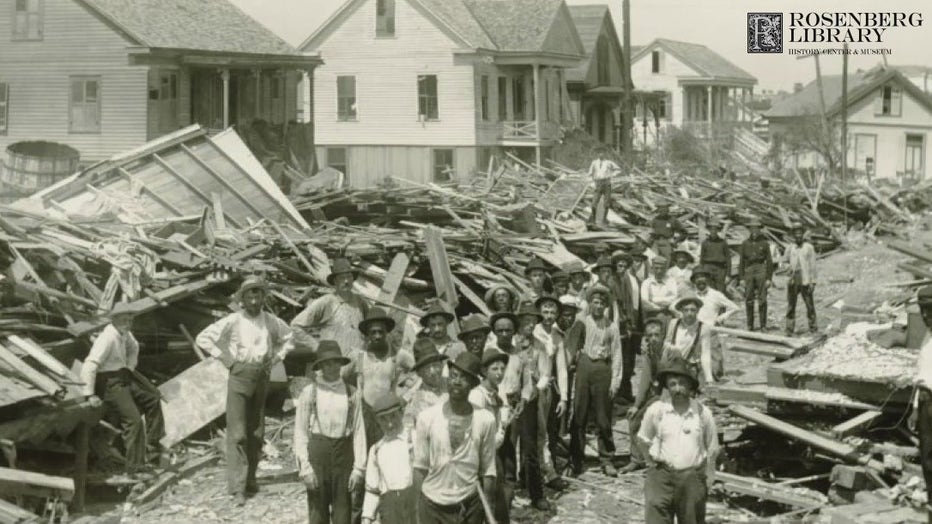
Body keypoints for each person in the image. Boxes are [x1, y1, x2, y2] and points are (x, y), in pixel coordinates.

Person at [196, 276, 294, 505]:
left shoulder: (270, 321)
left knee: (256, 432)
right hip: (239, 375)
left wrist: (277, 357)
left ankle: (250, 480)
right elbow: (204, 338)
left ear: (262, 297)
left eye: (257, 294)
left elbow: (289, 339)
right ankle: (237, 488)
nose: (253, 299)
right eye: (249, 294)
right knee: (238, 433)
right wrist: (227, 359)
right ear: (243, 298)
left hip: (262, 375)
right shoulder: (233, 320)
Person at [414, 352, 498, 524]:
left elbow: (488, 470)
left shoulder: (485, 419)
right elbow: (420, 467)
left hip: (469, 503)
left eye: (464, 378)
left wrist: (487, 510)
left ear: (474, 384)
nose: (457, 381)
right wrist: (416, 509)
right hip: (432, 503)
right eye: (453, 375)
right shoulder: (427, 417)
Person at [81, 302, 162, 471]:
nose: (128, 323)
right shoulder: (107, 338)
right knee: (134, 421)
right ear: (115, 319)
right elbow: (90, 364)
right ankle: (135, 468)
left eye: (130, 320)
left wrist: (130, 367)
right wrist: (89, 394)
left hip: (123, 375)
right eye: (124, 320)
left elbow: (135, 347)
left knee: (153, 398)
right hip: (109, 382)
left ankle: (153, 448)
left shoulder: (125, 333)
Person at [637, 358, 719, 524]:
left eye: (682, 383)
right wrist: (650, 463)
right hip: (661, 477)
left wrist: (708, 476)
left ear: (690, 386)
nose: (677, 389)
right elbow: (642, 439)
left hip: (691, 478)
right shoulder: (657, 410)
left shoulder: (702, 413)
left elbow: (713, 448)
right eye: (673, 384)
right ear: (667, 386)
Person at [294, 341, 366, 524]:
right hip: (318, 456)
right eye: (327, 363)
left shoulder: (352, 393)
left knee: (343, 513)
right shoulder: (310, 392)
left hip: (344, 456)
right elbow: (300, 432)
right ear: (320, 367)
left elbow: (358, 431)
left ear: (341, 364)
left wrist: (358, 468)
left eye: (335, 362)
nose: (332, 367)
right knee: (317, 512)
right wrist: (305, 468)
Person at [569, 285, 623, 478]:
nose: (599, 306)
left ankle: (607, 459)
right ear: (590, 304)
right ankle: (576, 458)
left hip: (602, 369)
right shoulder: (582, 321)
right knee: (579, 413)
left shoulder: (612, 326)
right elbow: (572, 346)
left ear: (606, 306)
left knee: (603, 416)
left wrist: (615, 380)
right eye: (595, 302)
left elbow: (617, 354)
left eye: (602, 303)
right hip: (584, 366)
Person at [502, 301, 552, 510]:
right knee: (507, 447)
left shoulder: (540, 346)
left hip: (529, 401)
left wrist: (535, 388)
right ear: (519, 322)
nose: (530, 325)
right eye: (527, 320)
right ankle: (507, 494)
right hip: (507, 401)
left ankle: (536, 493)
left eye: (533, 321)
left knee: (531, 448)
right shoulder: (509, 344)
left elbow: (546, 373)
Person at [343, 307, 415, 449]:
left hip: (390, 413)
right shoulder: (358, 356)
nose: (377, 336)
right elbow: (340, 378)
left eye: (380, 332)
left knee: (391, 449)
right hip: (365, 414)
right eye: (373, 332)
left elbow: (421, 373)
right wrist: (351, 399)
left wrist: (405, 397)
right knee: (367, 451)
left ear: (386, 332)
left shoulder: (398, 355)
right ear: (367, 335)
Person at [291, 258, 369, 362]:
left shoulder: (360, 301)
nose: (346, 281)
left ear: (353, 279)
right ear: (335, 281)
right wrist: (317, 347)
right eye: (342, 278)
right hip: (334, 363)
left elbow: (369, 329)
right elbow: (295, 325)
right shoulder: (326, 302)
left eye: (349, 277)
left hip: (358, 362)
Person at [469, 348, 512, 524]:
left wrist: (502, 427)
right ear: (484, 371)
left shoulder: (497, 391)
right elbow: (475, 428)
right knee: (485, 499)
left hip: (494, 453)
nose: (500, 373)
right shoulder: (477, 395)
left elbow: (504, 412)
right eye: (495, 369)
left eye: (502, 369)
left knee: (499, 496)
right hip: (480, 455)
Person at [361, 393, 417, 524]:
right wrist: (366, 518)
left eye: (393, 416)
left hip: (415, 505)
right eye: (383, 419)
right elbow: (372, 489)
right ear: (377, 421)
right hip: (390, 510)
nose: (390, 424)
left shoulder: (415, 439)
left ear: (401, 413)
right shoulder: (376, 450)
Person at [620, 318, 667, 473]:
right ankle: (636, 459)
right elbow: (645, 381)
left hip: (671, 395)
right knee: (634, 418)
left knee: (658, 421)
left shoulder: (670, 352)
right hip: (656, 395)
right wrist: (636, 405)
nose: (653, 338)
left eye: (657, 335)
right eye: (650, 336)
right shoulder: (648, 354)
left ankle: (657, 461)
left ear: (663, 335)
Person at [534, 294, 570, 489]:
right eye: (545, 311)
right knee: (533, 433)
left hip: (547, 390)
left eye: (552, 312)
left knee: (546, 432)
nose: (548, 316)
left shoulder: (557, 336)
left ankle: (548, 472)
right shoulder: (532, 332)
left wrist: (563, 398)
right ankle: (531, 472)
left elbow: (562, 368)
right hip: (530, 388)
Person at [663, 292, 715, 385]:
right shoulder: (674, 323)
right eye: (686, 310)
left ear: (698, 311)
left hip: (690, 367)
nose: (689, 313)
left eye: (692, 310)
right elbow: (666, 343)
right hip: (672, 365)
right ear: (681, 311)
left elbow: (705, 353)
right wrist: (673, 349)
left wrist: (709, 377)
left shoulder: (703, 328)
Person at [402, 338, 449, 441]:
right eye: (427, 368)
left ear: (442, 365)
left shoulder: (452, 386)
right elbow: (410, 434)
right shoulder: (416, 400)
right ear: (419, 373)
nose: (433, 371)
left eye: (436, 365)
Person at [913, 286, 932, 523]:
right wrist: (916, 409)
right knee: (927, 460)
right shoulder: (927, 336)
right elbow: (921, 375)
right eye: (923, 312)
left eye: (929, 311)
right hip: (925, 401)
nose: (926, 316)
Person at [613, 251, 641, 404]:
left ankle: (626, 390)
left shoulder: (633, 279)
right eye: (619, 265)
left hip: (631, 324)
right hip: (620, 325)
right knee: (620, 359)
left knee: (630, 360)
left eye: (624, 266)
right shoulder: (614, 281)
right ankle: (618, 393)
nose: (622, 268)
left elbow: (635, 303)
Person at [738, 218, 774, 331]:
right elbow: (741, 262)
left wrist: (769, 278)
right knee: (749, 298)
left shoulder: (764, 243)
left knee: (762, 298)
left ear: (759, 230)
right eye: (752, 228)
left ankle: (763, 325)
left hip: (760, 269)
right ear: (749, 229)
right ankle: (750, 325)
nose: (754, 230)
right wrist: (741, 278)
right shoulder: (745, 243)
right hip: (749, 270)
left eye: (756, 228)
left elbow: (769, 261)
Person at [783, 223, 818, 335]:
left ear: (802, 234)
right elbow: (784, 261)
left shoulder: (809, 247)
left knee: (809, 304)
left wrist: (813, 282)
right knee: (791, 305)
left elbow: (813, 266)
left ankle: (813, 328)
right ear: (793, 235)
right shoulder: (790, 248)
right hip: (793, 279)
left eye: (800, 233)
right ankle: (789, 329)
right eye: (796, 233)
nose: (798, 235)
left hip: (805, 278)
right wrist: (787, 267)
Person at [641, 256, 677, 326]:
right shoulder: (646, 283)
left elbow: (674, 298)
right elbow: (645, 304)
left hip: (668, 316)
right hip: (651, 316)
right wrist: (661, 307)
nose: (659, 271)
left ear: (666, 269)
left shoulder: (671, 281)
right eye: (656, 268)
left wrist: (654, 299)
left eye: (662, 268)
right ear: (652, 268)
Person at [587, 148, 619, 224]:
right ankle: (593, 219)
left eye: (602, 153)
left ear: (605, 154)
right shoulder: (594, 163)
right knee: (594, 203)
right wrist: (591, 182)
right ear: (597, 154)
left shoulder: (609, 162)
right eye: (599, 153)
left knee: (606, 203)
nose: (601, 154)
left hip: (607, 183)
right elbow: (590, 173)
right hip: (598, 183)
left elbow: (618, 169)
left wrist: (612, 175)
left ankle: (604, 219)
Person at [699, 218, 731, 294]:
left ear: (717, 230)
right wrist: (701, 272)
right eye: (711, 229)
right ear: (709, 230)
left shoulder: (723, 243)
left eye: (715, 229)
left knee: (721, 291)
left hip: (720, 269)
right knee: (709, 290)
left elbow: (728, 259)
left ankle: (721, 306)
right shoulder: (705, 243)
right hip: (708, 268)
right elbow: (701, 259)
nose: (713, 231)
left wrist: (728, 275)